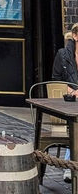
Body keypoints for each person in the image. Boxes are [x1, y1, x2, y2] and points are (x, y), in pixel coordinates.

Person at [52, 25, 78, 183]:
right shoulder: (62, 55)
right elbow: (54, 80)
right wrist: (69, 89)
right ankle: (70, 166)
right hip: (67, 104)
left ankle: (70, 165)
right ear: (75, 36)